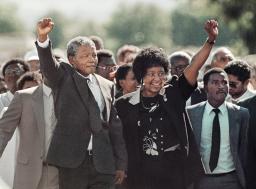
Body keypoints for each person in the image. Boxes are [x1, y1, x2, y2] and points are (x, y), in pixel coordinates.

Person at [115, 19, 218, 189]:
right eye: (151, 74)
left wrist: (210, 40)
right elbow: (119, 140)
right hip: (140, 174)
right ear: (141, 76)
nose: (157, 79)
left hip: (174, 171)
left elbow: (194, 66)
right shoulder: (124, 104)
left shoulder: (173, 93)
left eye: (161, 73)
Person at [36, 18, 127, 189]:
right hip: (72, 163)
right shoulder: (63, 77)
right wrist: (42, 40)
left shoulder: (107, 85)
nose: (92, 59)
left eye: (93, 55)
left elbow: (114, 127)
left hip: (103, 163)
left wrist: (121, 163)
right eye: (85, 56)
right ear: (72, 60)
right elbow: (48, 66)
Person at [187, 68, 249, 189]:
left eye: (225, 82)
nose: (221, 86)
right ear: (205, 87)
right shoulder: (191, 113)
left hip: (232, 180)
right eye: (215, 83)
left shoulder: (241, 114)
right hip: (201, 180)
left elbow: (244, 149)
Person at [0, 79, 59, 189]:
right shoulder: (24, 97)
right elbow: (3, 131)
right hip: (28, 173)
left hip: (60, 174)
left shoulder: (72, 98)